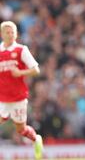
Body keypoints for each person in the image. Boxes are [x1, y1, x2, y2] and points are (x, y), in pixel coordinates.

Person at [0, 21, 43, 159]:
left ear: (16, 34)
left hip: (18, 97)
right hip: (2, 97)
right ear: (2, 34)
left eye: (13, 32)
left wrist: (20, 73)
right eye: (8, 32)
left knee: (21, 129)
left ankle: (36, 139)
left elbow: (36, 70)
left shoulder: (21, 50)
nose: (11, 34)